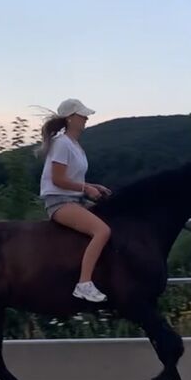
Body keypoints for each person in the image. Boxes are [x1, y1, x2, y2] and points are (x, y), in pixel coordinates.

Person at [39, 98, 112, 302]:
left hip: (73, 200)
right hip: (60, 202)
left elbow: (71, 178)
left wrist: (94, 186)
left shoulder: (74, 145)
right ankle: (84, 284)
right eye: (82, 115)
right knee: (102, 231)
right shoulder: (62, 143)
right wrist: (86, 188)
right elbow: (58, 179)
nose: (86, 118)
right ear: (70, 118)